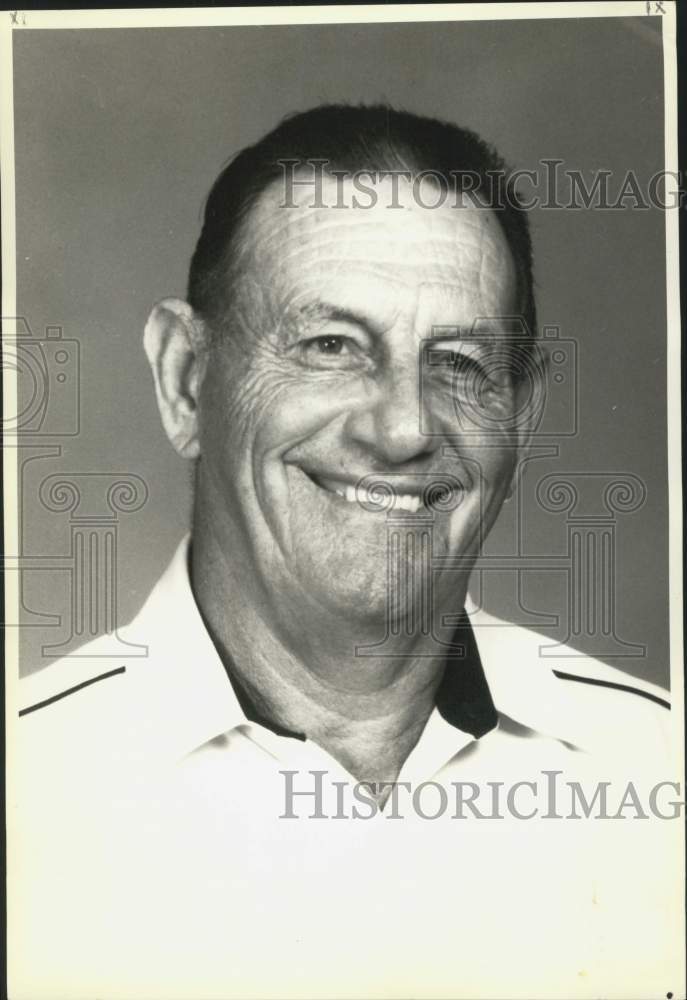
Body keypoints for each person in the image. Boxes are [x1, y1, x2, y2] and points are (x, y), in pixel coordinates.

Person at [13, 105, 677, 1000]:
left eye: (458, 362)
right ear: (185, 379)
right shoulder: (31, 781)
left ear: (521, 410)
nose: (403, 428)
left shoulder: (653, 769)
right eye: (329, 346)